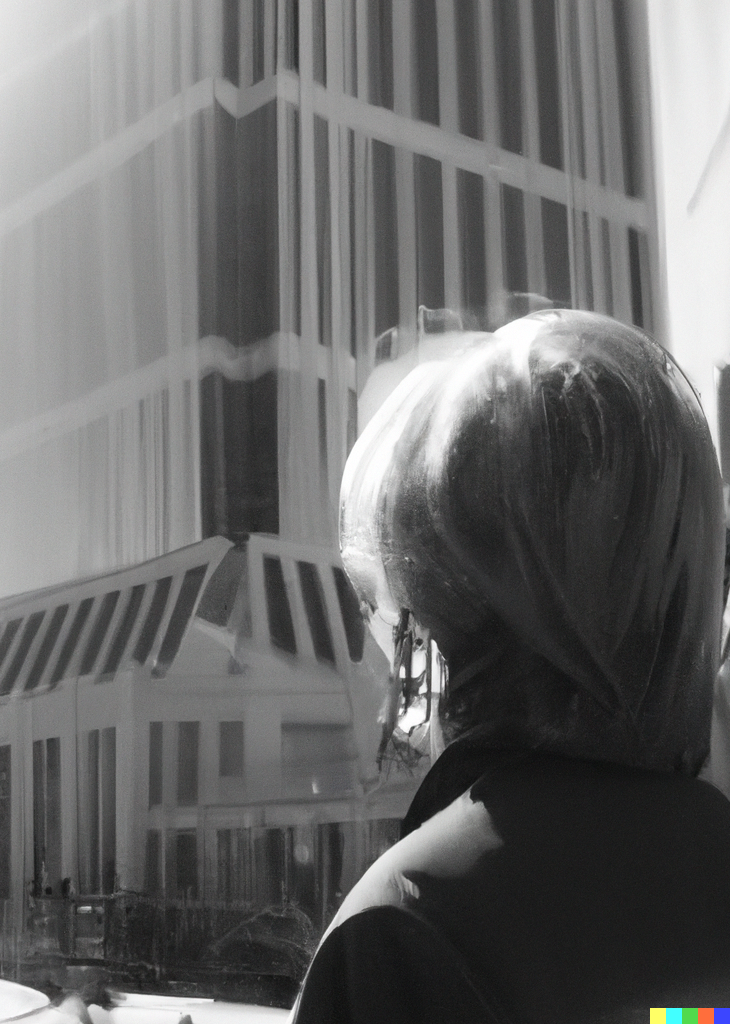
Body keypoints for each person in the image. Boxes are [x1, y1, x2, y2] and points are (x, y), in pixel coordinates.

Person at [292, 310, 730, 1022]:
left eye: (399, 608)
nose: (390, 649)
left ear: (446, 607)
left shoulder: (408, 926)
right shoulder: (710, 860)